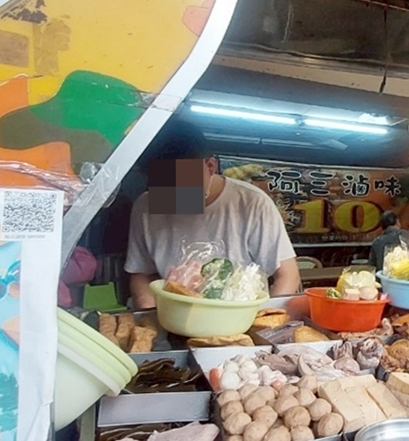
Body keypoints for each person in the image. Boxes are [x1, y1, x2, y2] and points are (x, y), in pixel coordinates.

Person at [126, 119, 300, 308]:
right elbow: (140, 273)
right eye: (162, 185)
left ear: (210, 166)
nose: (174, 194)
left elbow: (287, 275)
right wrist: (149, 313)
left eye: (182, 183)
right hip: (172, 317)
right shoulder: (145, 206)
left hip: (240, 319)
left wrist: (261, 318)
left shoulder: (251, 203)